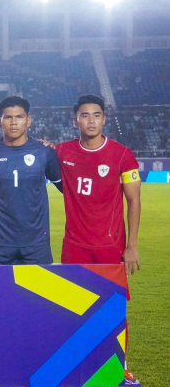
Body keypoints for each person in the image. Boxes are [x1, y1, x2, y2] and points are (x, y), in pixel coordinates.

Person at [56, 95, 141, 271]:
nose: (91, 121)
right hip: (74, 245)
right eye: (85, 116)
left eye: (96, 115)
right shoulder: (62, 151)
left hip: (110, 244)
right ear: (76, 121)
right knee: (72, 297)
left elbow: (134, 201)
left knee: (110, 298)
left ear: (103, 119)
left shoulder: (123, 155)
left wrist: (132, 246)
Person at [0, 96, 62, 265]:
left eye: (19, 117)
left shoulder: (44, 152)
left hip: (36, 243)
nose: (13, 122)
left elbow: (67, 189)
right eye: (8, 117)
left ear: (28, 120)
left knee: (39, 291)